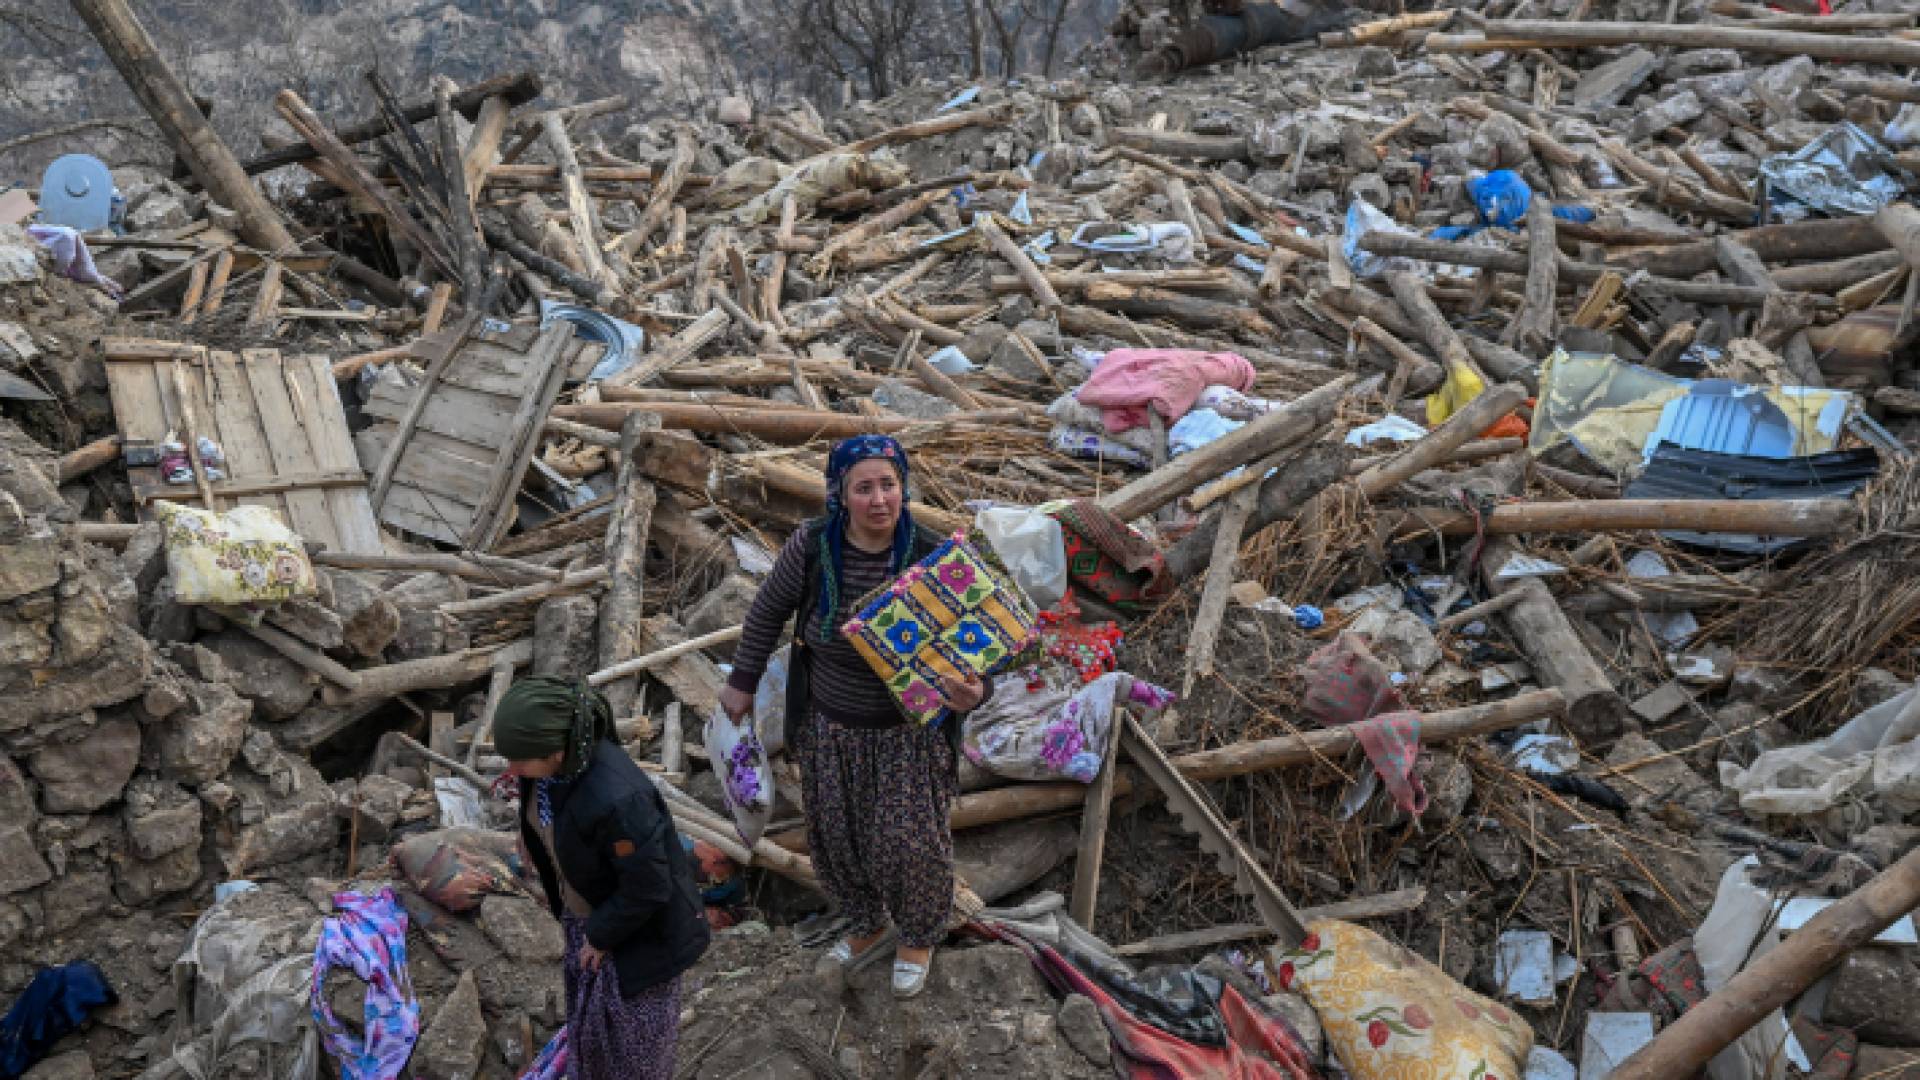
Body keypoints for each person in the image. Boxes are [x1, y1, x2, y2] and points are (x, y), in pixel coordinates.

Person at [718, 435, 991, 999]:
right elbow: (768, 610)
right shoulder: (815, 547)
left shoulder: (933, 555)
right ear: (840, 494)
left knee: (909, 841)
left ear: (903, 488)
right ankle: (866, 925)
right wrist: (741, 682)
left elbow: (980, 649)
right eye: (863, 487)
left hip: (908, 735)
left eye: (888, 484)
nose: (878, 499)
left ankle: (918, 934)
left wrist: (974, 692)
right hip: (830, 727)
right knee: (838, 839)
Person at [497, 677, 711, 1079]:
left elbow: (648, 886)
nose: (512, 771)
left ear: (557, 752)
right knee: (592, 1037)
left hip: (643, 942)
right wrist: (536, 837)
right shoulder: (547, 769)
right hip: (594, 922)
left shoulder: (617, 799)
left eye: (519, 762)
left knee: (632, 1056)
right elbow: (539, 798)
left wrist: (600, 936)